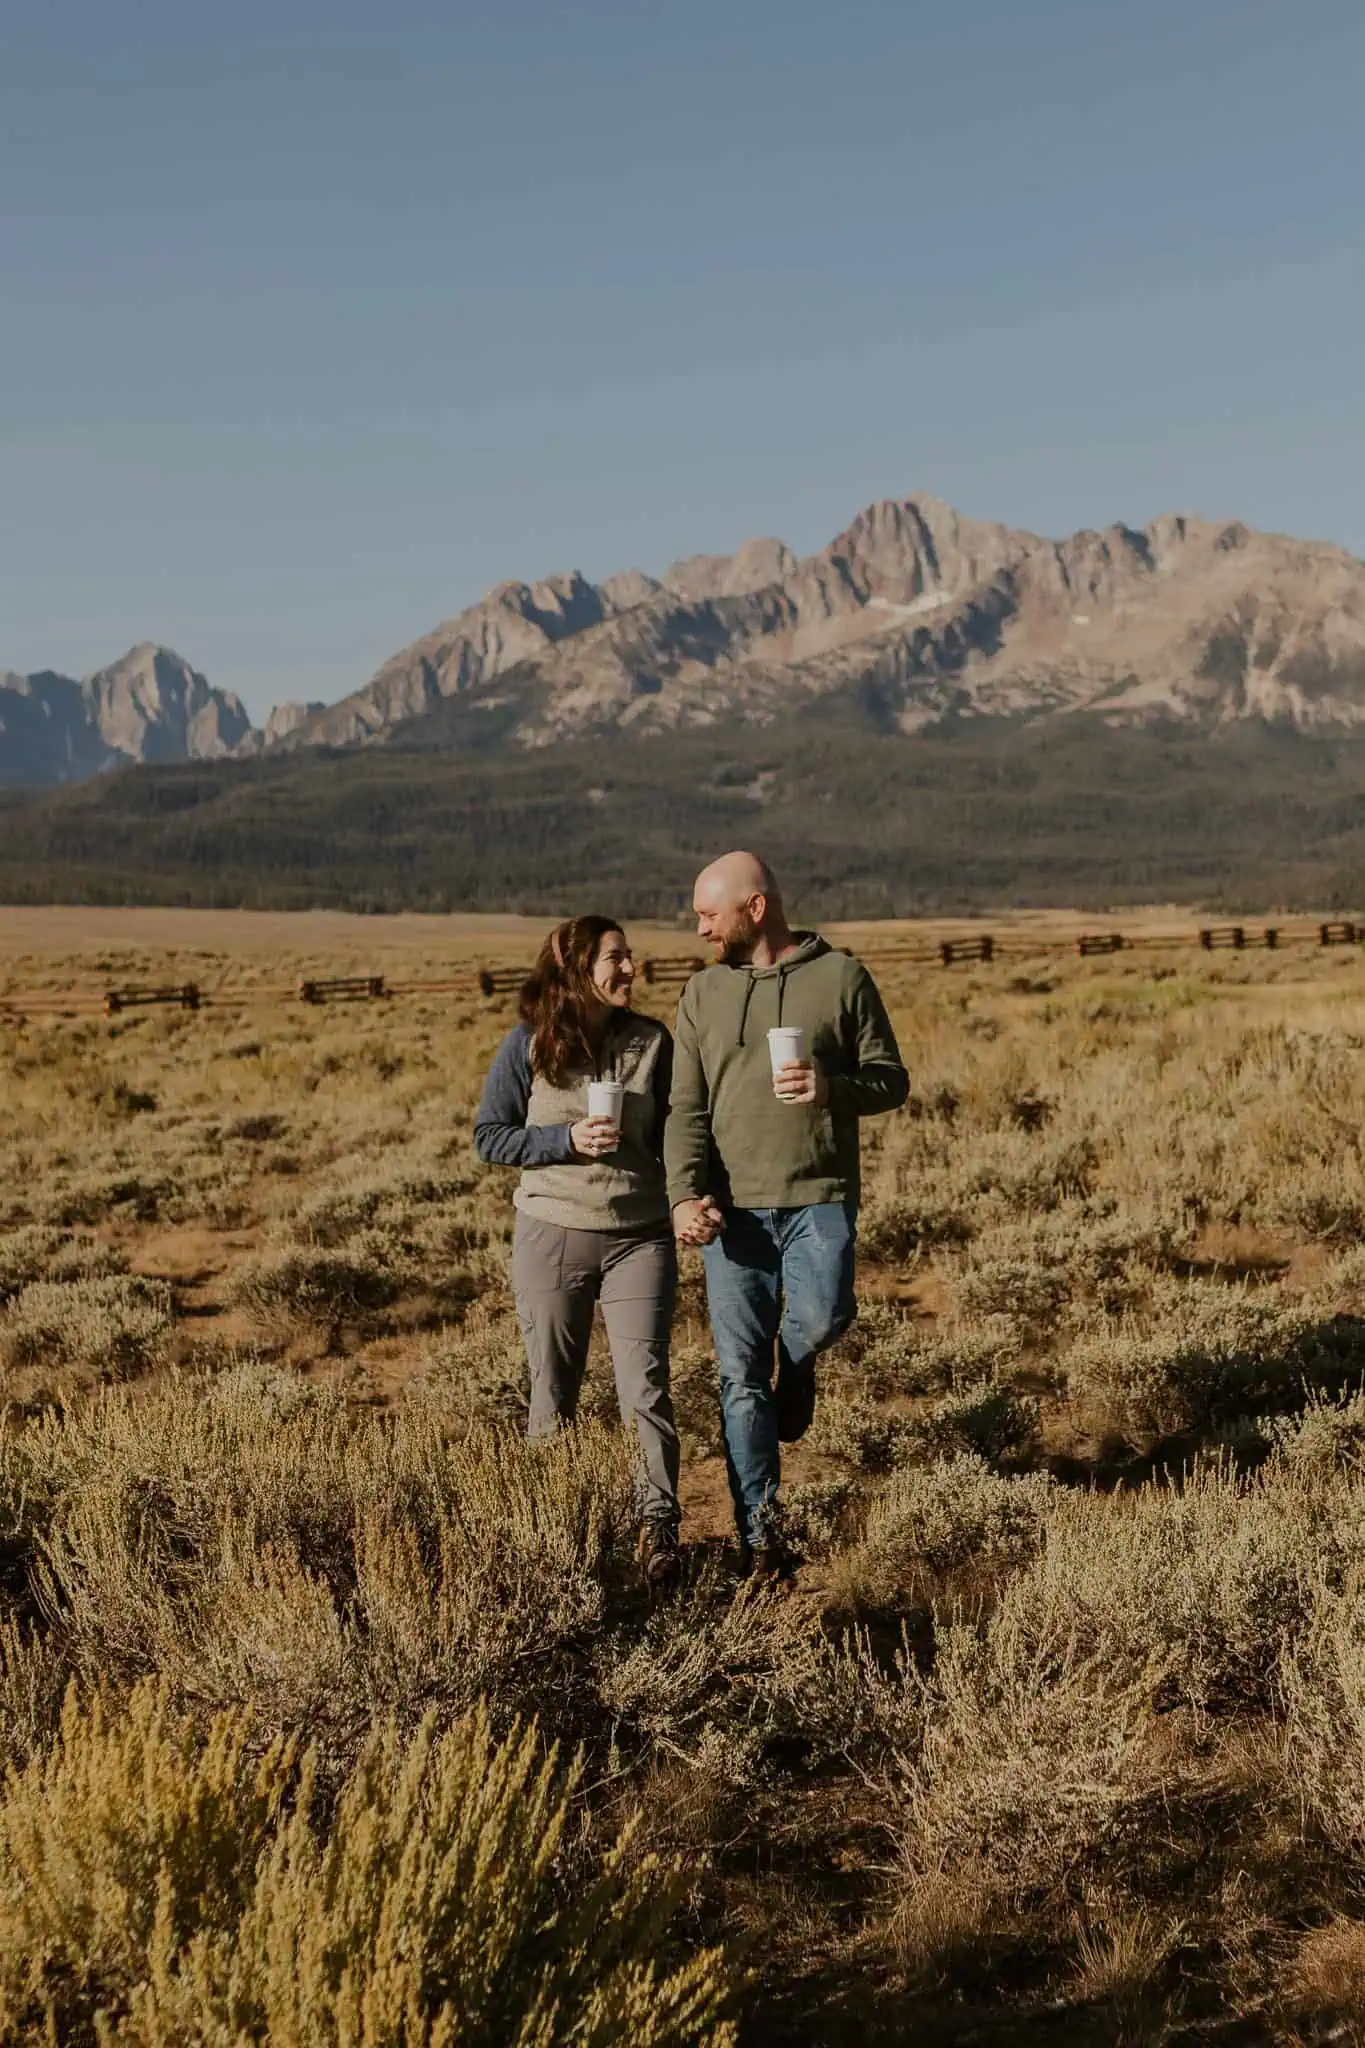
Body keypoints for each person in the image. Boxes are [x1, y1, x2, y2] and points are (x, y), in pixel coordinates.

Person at [666, 853, 909, 1577]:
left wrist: (832, 1090)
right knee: (739, 1378)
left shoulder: (840, 979)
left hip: (818, 1197)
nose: (701, 928)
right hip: (731, 1214)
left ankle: (799, 1362)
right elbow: (686, 1107)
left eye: (710, 914)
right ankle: (759, 1536)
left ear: (756, 907)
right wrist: (683, 1194)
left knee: (825, 1317)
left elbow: (889, 1079)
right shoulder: (702, 993)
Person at [474, 914, 682, 1592]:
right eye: (614, 959)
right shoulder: (526, 1046)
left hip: (639, 1235)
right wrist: (565, 1141)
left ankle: (658, 1534)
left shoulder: (652, 1042)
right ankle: (549, 1532)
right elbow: (491, 1138)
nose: (630, 969)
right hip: (551, 1232)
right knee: (550, 1394)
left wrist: (693, 1194)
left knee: (644, 1390)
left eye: (630, 957)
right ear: (574, 970)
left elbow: (680, 1137)